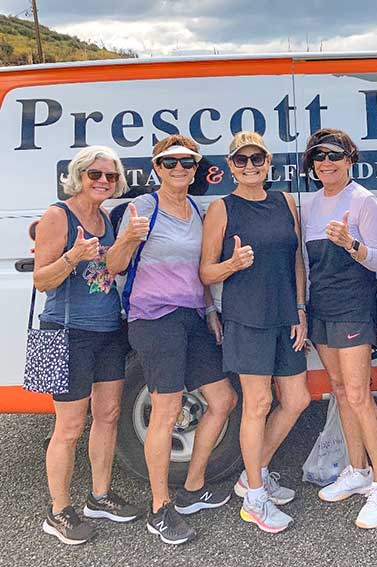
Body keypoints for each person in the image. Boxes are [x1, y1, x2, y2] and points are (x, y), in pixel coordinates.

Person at [106, 135, 237, 545]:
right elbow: (112, 266)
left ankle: (193, 488)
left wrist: (211, 311)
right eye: (170, 162)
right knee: (166, 410)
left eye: (187, 163)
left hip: (193, 317)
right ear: (157, 167)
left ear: (196, 169)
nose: (179, 169)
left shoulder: (199, 210)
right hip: (154, 319)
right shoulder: (141, 208)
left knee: (223, 400)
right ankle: (160, 509)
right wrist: (128, 237)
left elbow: (200, 269)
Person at [200, 131, 310, 534]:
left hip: (285, 317)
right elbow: (205, 271)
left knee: (298, 399)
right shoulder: (221, 208)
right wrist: (232, 264)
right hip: (247, 318)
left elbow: (296, 258)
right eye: (241, 160)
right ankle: (255, 499)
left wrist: (300, 308)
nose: (250, 166)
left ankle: (253, 474)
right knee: (258, 403)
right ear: (230, 166)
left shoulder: (283, 201)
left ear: (268, 162)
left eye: (257, 159)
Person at [33, 146, 139, 545]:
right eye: (95, 174)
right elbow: (41, 280)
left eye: (110, 177)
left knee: (109, 414)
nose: (103, 182)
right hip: (67, 331)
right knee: (70, 425)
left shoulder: (106, 219)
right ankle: (58, 511)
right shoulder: (58, 215)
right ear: (79, 175)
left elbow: (112, 268)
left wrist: (124, 242)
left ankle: (99, 496)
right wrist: (72, 257)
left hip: (108, 330)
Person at [300, 128, 377, 529]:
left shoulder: (362, 200)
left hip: (353, 308)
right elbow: (306, 266)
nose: (327, 163)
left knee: (359, 394)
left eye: (335, 156)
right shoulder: (308, 204)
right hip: (321, 307)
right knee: (340, 392)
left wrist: (350, 244)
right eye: (319, 157)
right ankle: (356, 470)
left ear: (349, 159)